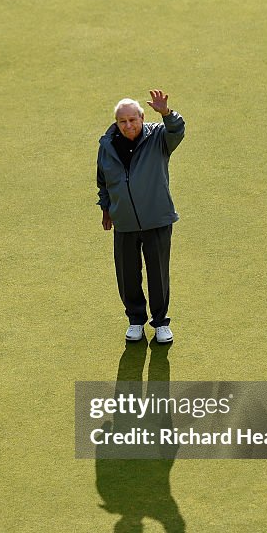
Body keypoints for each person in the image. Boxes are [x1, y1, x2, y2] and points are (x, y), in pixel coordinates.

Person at [96, 90, 186, 343]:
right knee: (127, 274)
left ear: (142, 117)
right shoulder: (107, 145)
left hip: (157, 218)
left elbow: (177, 131)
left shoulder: (158, 137)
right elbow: (103, 181)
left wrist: (167, 113)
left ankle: (160, 323)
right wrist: (106, 209)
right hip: (123, 221)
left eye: (133, 120)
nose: (128, 125)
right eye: (123, 121)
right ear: (117, 122)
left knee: (158, 273)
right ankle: (135, 320)